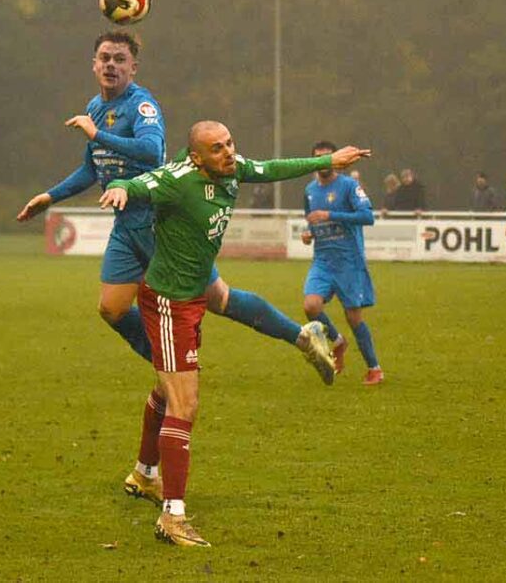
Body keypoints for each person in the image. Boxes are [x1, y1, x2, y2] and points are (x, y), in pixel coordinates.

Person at [15, 32, 335, 503]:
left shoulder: (142, 107)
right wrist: (50, 196)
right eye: (104, 58)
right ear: (93, 63)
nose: (110, 66)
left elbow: (150, 152)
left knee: (219, 298)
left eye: (119, 60)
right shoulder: (96, 107)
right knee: (110, 307)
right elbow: (93, 167)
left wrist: (97, 133)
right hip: (127, 223)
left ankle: (302, 335)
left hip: (157, 222)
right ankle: (168, 362)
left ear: (133, 68)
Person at [100, 121, 369, 547]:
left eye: (229, 143)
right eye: (217, 148)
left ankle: (144, 473)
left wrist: (327, 160)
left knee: (167, 391)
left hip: (191, 299)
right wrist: (119, 188)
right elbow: (136, 183)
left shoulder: (233, 169)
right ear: (197, 157)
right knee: (184, 404)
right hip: (169, 302)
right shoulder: (177, 179)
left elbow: (274, 167)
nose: (228, 152)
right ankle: (173, 516)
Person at [300, 141, 383, 385]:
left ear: (335, 159)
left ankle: (374, 368)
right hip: (323, 261)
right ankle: (337, 341)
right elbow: (312, 221)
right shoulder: (309, 190)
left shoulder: (349, 185)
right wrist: (309, 234)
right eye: (319, 157)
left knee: (353, 317)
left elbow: (367, 217)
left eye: (328, 156)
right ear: (314, 161)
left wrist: (330, 215)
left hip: (349, 261)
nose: (324, 161)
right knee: (310, 306)